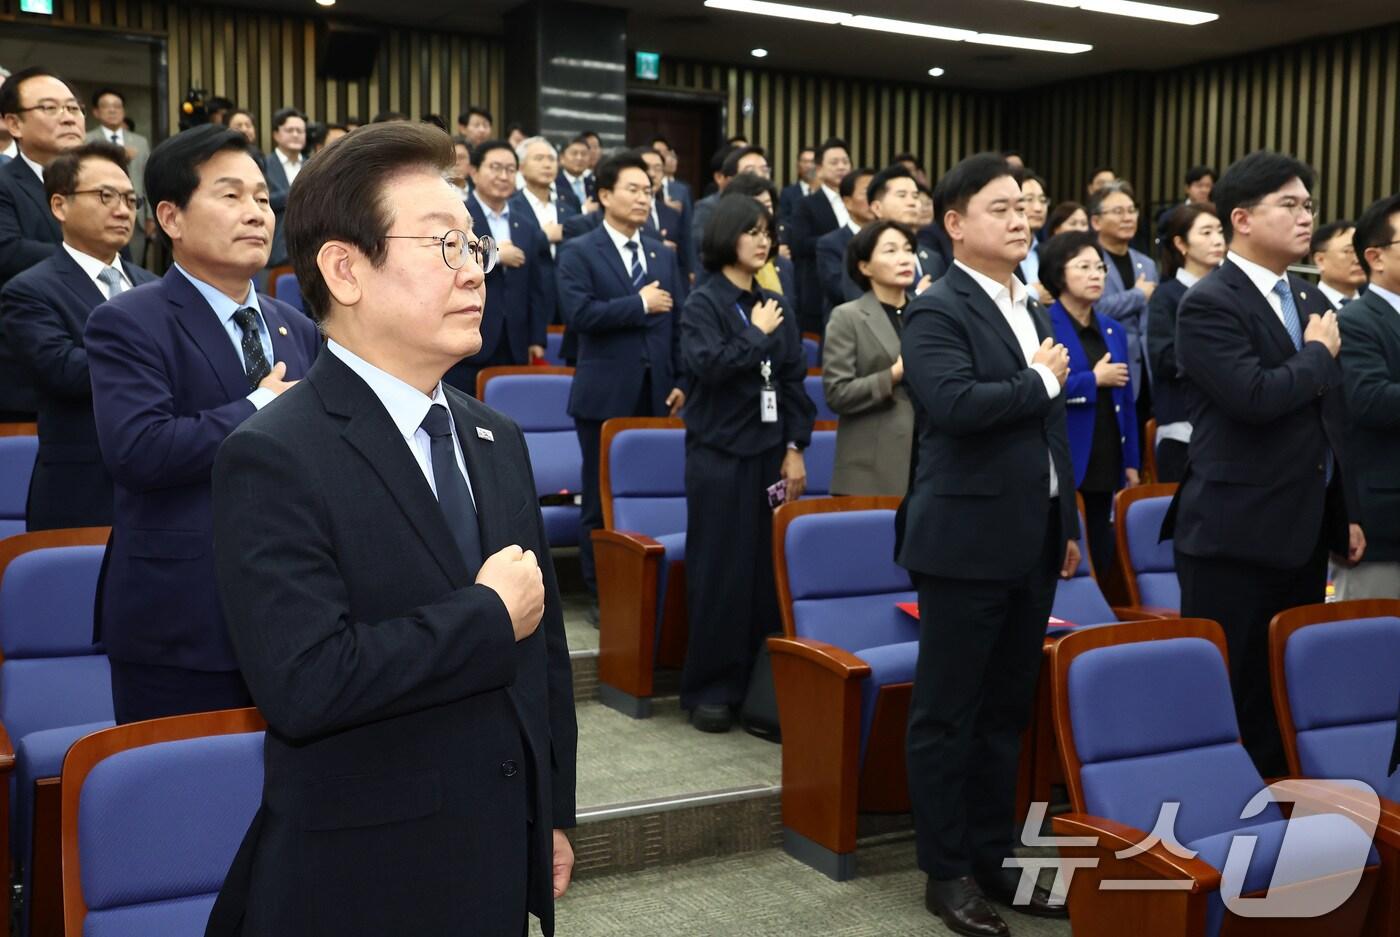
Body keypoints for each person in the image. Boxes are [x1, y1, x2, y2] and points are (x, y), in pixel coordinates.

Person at [204, 120, 576, 937]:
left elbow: (542, 656)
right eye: (444, 244)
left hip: (493, 847)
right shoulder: (272, 454)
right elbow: (306, 684)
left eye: (473, 244)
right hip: (364, 875)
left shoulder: (493, 434)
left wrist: (552, 810)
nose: (473, 267)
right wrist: (482, 615)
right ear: (345, 269)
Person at [85, 124, 321, 725]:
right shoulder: (128, 321)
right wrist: (258, 407)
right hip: (183, 619)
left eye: (263, 200)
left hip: (295, 610)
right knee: (179, 801)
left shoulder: (297, 324)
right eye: (231, 196)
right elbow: (138, 450)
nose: (256, 214)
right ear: (171, 218)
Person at [899, 153, 1077, 936]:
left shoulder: (1027, 305)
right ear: (956, 224)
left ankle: (996, 851)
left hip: (1030, 537)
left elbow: (1047, 433)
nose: (1019, 219)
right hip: (964, 541)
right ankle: (946, 870)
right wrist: (1039, 380)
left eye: (1023, 208)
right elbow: (953, 404)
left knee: (1006, 709)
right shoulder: (938, 307)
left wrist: (1064, 522)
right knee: (949, 712)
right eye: (1000, 208)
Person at [1162, 150, 1362, 778]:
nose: (1307, 218)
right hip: (1233, 533)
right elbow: (1254, 398)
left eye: (1308, 205)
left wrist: (1343, 512)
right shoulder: (1208, 302)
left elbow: (1327, 421)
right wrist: (1315, 357)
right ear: (1242, 219)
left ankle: (1281, 828)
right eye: (1290, 205)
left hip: (1301, 529)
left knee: (1281, 690)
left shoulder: (1304, 294)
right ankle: (1220, 829)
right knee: (1231, 696)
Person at [679, 194, 813, 733]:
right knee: (720, 574)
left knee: (764, 575)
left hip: (768, 456)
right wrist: (755, 334)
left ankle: (761, 693)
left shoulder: (772, 300)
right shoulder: (704, 302)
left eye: (768, 232)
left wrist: (795, 447)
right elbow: (706, 367)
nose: (764, 241)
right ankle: (712, 688)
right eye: (752, 231)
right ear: (726, 237)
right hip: (718, 458)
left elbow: (793, 381)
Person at [555, 153, 687, 615]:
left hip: (658, 393)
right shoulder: (579, 249)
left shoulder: (660, 252)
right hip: (604, 396)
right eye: (632, 188)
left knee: (648, 496)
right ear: (605, 195)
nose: (641, 197)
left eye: (647, 190)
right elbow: (580, 315)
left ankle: (648, 589)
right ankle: (602, 593)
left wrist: (681, 379)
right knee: (600, 500)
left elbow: (678, 321)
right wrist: (639, 303)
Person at [0, 141, 157, 529]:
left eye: (129, 199)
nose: (122, 210)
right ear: (60, 206)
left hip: (159, 487)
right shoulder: (29, 289)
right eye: (105, 196)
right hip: (82, 492)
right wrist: (159, 357)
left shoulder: (154, 285)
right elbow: (64, 371)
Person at [1042, 230, 1141, 579]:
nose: (1096, 275)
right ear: (1058, 274)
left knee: (1100, 549)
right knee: (1061, 554)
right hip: (1066, 455)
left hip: (1107, 452)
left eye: (1100, 267)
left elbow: (1126, 398)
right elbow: (1038, 388)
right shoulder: (1045, 323)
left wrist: (1131, 462)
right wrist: (1091, 381)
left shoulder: (1112, 329)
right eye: (1083, 267)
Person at [0, 67, 86, 420]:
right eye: (50, 109)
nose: (67, 117)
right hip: (26, 373)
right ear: (14, 124)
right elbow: (8, 252)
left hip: (100, 367)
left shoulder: (105, 186)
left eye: (73, 108)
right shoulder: (5, 184)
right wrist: (88, 260)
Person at [446, 138, 552, 394]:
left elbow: (537, 287)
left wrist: (537, 338)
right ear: (474, 171)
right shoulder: (457, 215)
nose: (503, 176)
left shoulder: (526, 223)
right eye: (495, 168)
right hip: (470, 335)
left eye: (510, 170)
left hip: (515, 340)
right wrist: (493, 254)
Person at [822, 219, 917, 497]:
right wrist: (892, 375)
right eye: (890, 251)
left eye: (908, 249)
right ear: (864, 267)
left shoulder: (927, 313)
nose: (904, 258)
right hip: (873, 470)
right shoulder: (847, 317)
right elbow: (837, 393)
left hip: (930, 463)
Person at [1335, 194, 1400, 600]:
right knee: (1371, 650)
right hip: (1384, 522)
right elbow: (1369, 399)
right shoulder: (1355, 320)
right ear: (1375, 257)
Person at [1147, 203, 1224, 482]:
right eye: (1205, 232)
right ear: (1181, 243)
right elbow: (1163, 358)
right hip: (1183, 427)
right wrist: (1220, 354)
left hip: (1231, 427)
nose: (1217, 239)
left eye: (1219, 231)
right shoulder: (1166, 296)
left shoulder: (1232, 293)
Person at [1090, 181, 1157, 427]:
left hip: (1146, 372)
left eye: (1131, 210)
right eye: (1118, 212)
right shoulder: (1089, 261)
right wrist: (1137, 296)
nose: (1128, 217)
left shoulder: (1146, 263)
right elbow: (1094, 309)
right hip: (1108, 365)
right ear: (1096, 221)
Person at [791, 138, 852, 332]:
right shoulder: (806, 204)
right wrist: (841, 239)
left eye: (845, 161)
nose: (841, 167)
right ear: (819, 169)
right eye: (834, 163)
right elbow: (799, 244)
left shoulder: (860, 201)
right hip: (818, 289)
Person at [86, 88, 152, 265]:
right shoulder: (87, 140)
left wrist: (150, 216)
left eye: (117, 106)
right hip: (101, 211)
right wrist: (120, 154)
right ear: (96, 112)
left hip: (136, 215)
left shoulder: (140, 141)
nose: (113, 110)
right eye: (106, 106)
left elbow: (147, 178)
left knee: (134, 266)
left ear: (123, 111)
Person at [724, 173, 798, 300]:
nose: (764, 213)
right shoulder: (720, 272)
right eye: (756, 205)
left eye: (768, 206)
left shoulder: (784, 265)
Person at [815, 166, 875, 319]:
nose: (875, 199)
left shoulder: (891, 241)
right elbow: (840, 290)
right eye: (868, 192)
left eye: (879, 192)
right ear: (847, 202)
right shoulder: (830, 244)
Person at [264, 107, 307, 270]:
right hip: (275, 253)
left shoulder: (314, 165)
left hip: (308, 253)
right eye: (290, 130)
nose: (296, 134)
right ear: (276, 134)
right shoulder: (264, 164)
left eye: (300, 131)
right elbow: (263, 200)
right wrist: (299, 194)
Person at [1311, 219, 1366, 308]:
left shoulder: (1379, 305)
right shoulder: (1306, 306)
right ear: (1320, 260)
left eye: (1361, 250)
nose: (1358, 260)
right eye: (1348, 251)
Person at [1155, 164, 1215, 234]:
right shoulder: (1173, 214)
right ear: (1187, 188)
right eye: (1199, 185)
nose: (1204, 190)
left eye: (1208, 186)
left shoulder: (1218, 212)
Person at [1018, 170, 1049, 296]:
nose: (1038, 208)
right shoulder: (997, 253)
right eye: (1029, 199)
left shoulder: (1046, 252)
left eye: (1042, 200)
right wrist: (1033, 293)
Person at [778, 145, 816, 232]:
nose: (809, 166)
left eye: (812, 161)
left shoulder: (826, 192)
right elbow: (783, 220)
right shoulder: (787, 193)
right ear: (798, 166)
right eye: (805, 162)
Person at [557, 135, 594, 215]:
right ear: (562, 158)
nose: (579, 158)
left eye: (584, 154)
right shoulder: (554, 183)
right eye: (574, 153)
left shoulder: (594, 184)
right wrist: (584, 210)